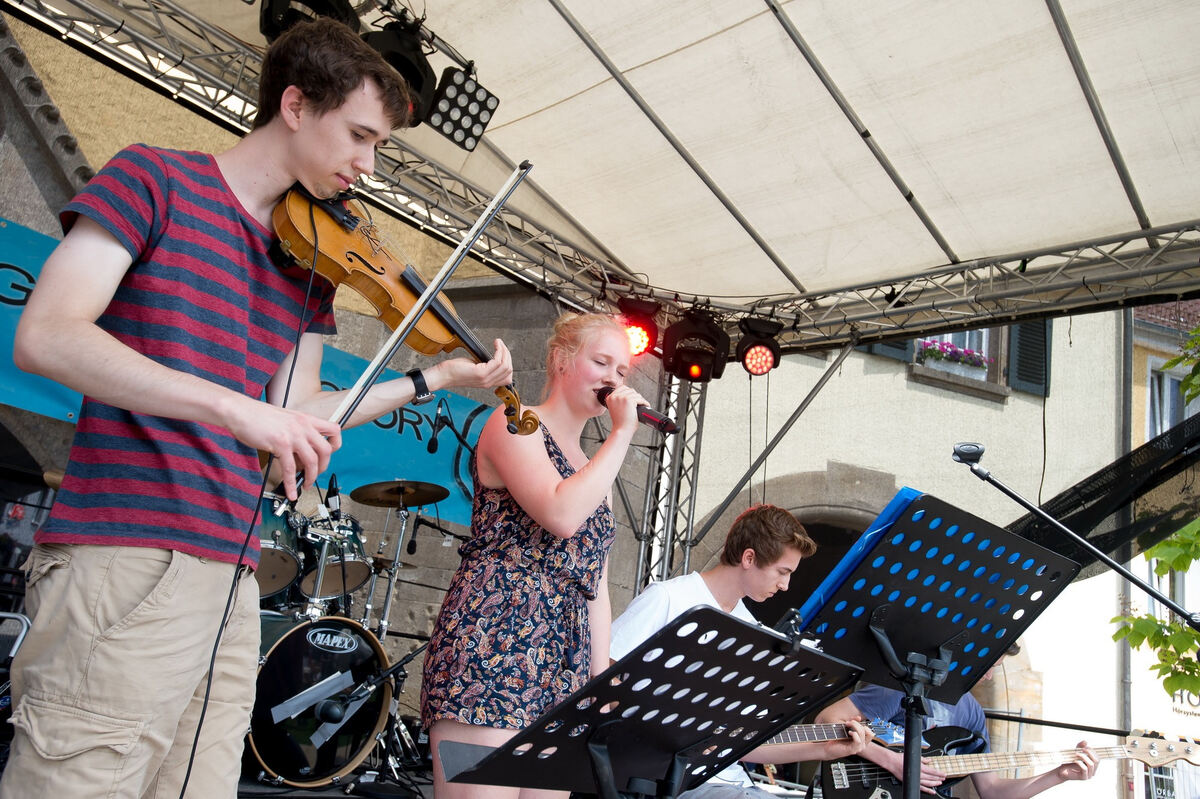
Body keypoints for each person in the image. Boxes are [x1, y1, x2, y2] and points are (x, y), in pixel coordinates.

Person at [3, 17, 512, 799]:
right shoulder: (155, 180)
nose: (368, 167)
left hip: (233, 581)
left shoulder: (306, 267)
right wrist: (235, 410)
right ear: (298, 104)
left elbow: (299, 408)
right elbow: (46, 334)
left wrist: (433, 379)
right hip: (128, 558)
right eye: (360, 136)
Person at [421, 311, 647, 799]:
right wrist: (622, 434)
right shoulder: (513, 422)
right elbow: (560, 514)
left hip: (564, 656)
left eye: (622, 372)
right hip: (496, 636)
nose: (613, 379)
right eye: (602, 362)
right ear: (561, 360)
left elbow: (596, 585)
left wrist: (599, 678)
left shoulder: (593, 468)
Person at [608, 504, 873, 798]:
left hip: (729, 782)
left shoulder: (752, 630)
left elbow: (745, 745)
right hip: (662, 778)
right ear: (749, 557)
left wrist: (824, 751)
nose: (785, 586)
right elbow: (604, 680)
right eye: (782, 572)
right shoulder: (668, 597)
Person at [815, 650, 1099, 798]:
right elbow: (827, 720)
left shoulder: (972, 712)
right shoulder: (905, 685)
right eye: (989, 665)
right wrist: (893, 762)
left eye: (995, 669)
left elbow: (992, 791)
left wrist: (1058, 775)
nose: (988, 677)